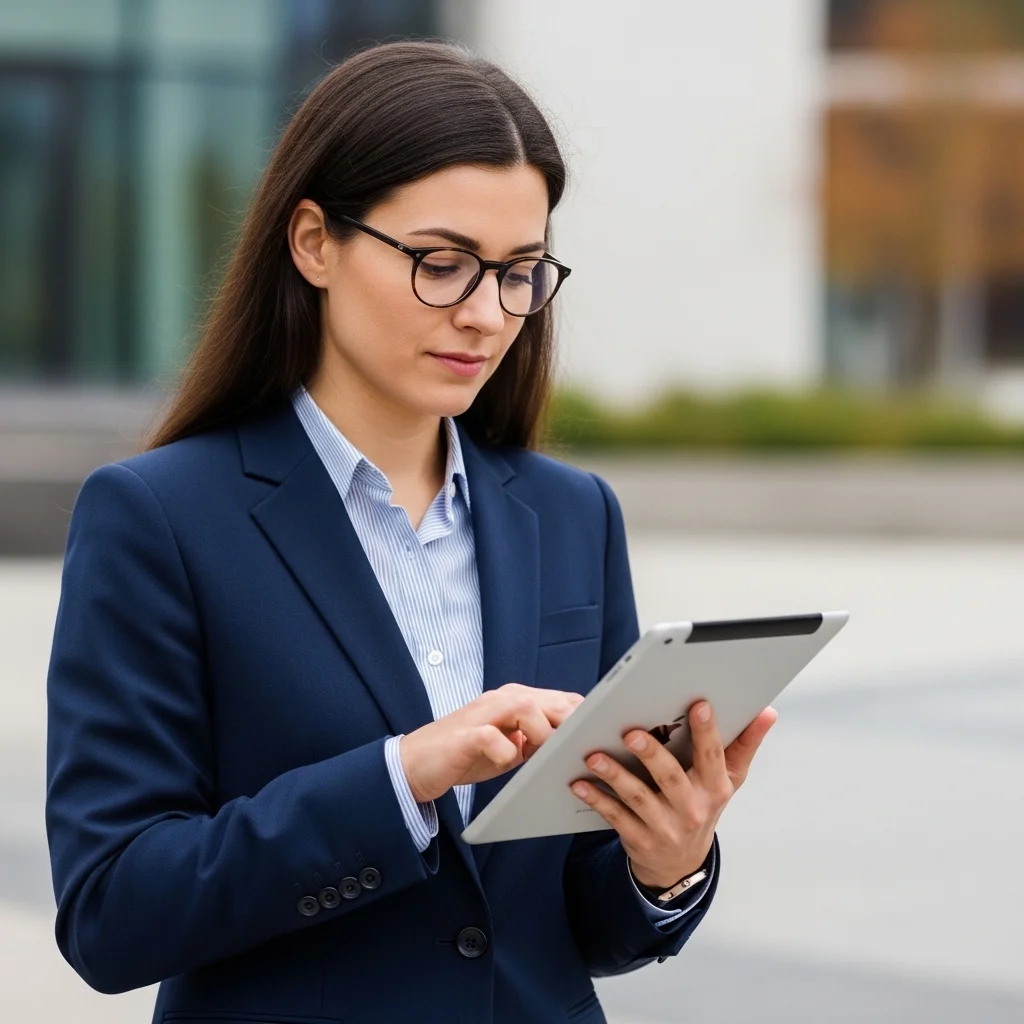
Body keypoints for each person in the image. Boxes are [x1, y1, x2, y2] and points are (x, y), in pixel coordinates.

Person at [45, 40, 776, 1024]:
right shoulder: (159, 518)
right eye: (442, 264)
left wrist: (666, 862)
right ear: (313, 243)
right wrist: (405, 775)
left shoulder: (570, 515)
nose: (484, 313)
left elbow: (571, 919)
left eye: (519, 273)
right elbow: (112, 909)